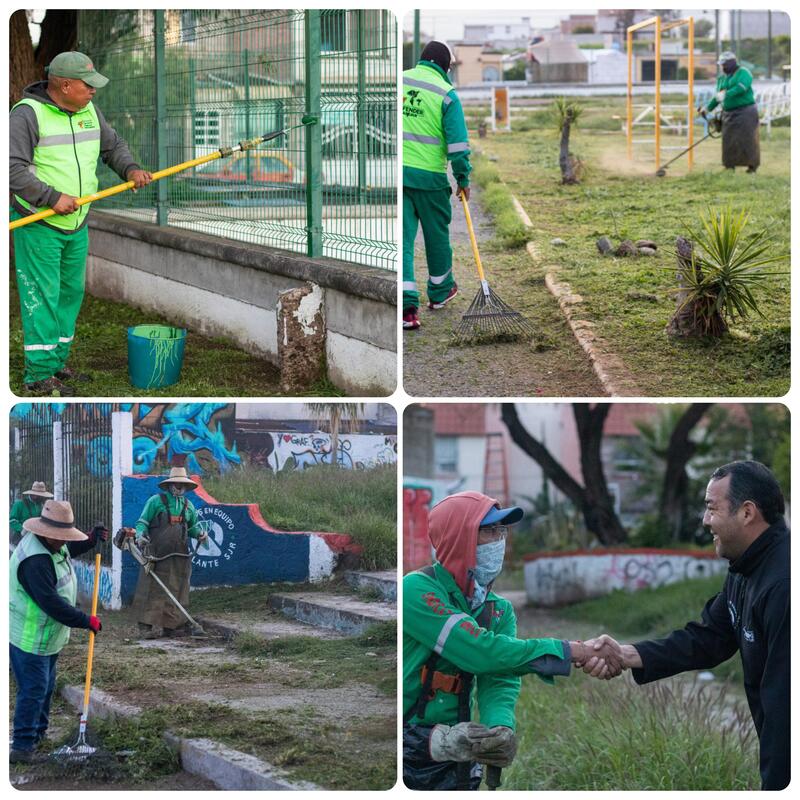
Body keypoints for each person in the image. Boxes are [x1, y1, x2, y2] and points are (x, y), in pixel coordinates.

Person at [586, 461, 789, 790]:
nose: (706, 520)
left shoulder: (784, 584)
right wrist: (627, 654)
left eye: (712, 508)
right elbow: (709, 637)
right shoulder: (745, 567)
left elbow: (786, 711)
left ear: (747, 513)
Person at [403, 490, 622, 790]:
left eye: (501, 530)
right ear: (459, 538)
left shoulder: (498, 610)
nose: (498, 541)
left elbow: (499, 677)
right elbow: (480, 652)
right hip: (406, 741)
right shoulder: (416, 590)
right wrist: (571, 650)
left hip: (461, 747)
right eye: (487, 531)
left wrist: (500, 727)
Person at [10, 51, 153, 396]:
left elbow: (113, 145)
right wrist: (50, 197)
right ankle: (39, 375)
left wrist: (130, 168)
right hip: (38, 221)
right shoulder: (27, 115)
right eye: (87, 85)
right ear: (64, 84)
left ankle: (58, 363)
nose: (93, 91)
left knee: (69, 294)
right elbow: (10, 168)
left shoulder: (89, 110)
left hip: (77, 222)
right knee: (42, 296)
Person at [9, 500, 107, 763]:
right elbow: (52, 603)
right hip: (29, 638)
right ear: (45, 532)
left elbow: (68, 549)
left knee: (46, 686)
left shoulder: (50, 544)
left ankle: (38, 736)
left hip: (46, 636)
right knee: (33, 689)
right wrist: (86, 620)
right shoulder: (35, 561)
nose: (63, 541)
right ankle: (22, 747)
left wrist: (90, 539)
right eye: (59, 537)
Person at [402, 40, 471, 331]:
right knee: (436, 236)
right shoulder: (447, 95)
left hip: (399, 176)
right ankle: (440, 294)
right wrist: (463, 178)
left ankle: (407, 309)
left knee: (403, 242)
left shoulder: (400, 81)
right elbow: (458, 145)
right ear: (444, 66)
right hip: (430, 178)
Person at [120, 466, 208, 639]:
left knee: (177, 589)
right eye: (176, 483)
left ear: (186, 487)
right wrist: (140, 535)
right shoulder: (155, 501)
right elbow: (142, 522)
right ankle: (146, 627)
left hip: (179, 555)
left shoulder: (189, 506)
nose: (179, 487)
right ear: (169, 484)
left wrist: (200, 535)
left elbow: (192, 528)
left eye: (182, 484)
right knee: (152, 588)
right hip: (156, 554)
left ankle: (172, 627)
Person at [698, 51, 760, 173]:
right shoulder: (721, 78)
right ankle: (729, 166)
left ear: (732, 63)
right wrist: (707, 108)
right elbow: (718, 97)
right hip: (729, 113)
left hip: (746, 112)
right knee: (729, 140)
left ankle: (752, 167)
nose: (722, 67)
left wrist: (726, 94)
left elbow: (741, 87)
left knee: (748, 139)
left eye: (724, 64)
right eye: (721, 64)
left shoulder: (744, 72)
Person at [10, 481, 54, 548]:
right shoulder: (19, 504)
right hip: (20, 540)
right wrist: (22, 529)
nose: (42, 497)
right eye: (40, 495)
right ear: (34, 494)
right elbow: (11, 520)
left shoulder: (41, 506)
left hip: (35, 540)